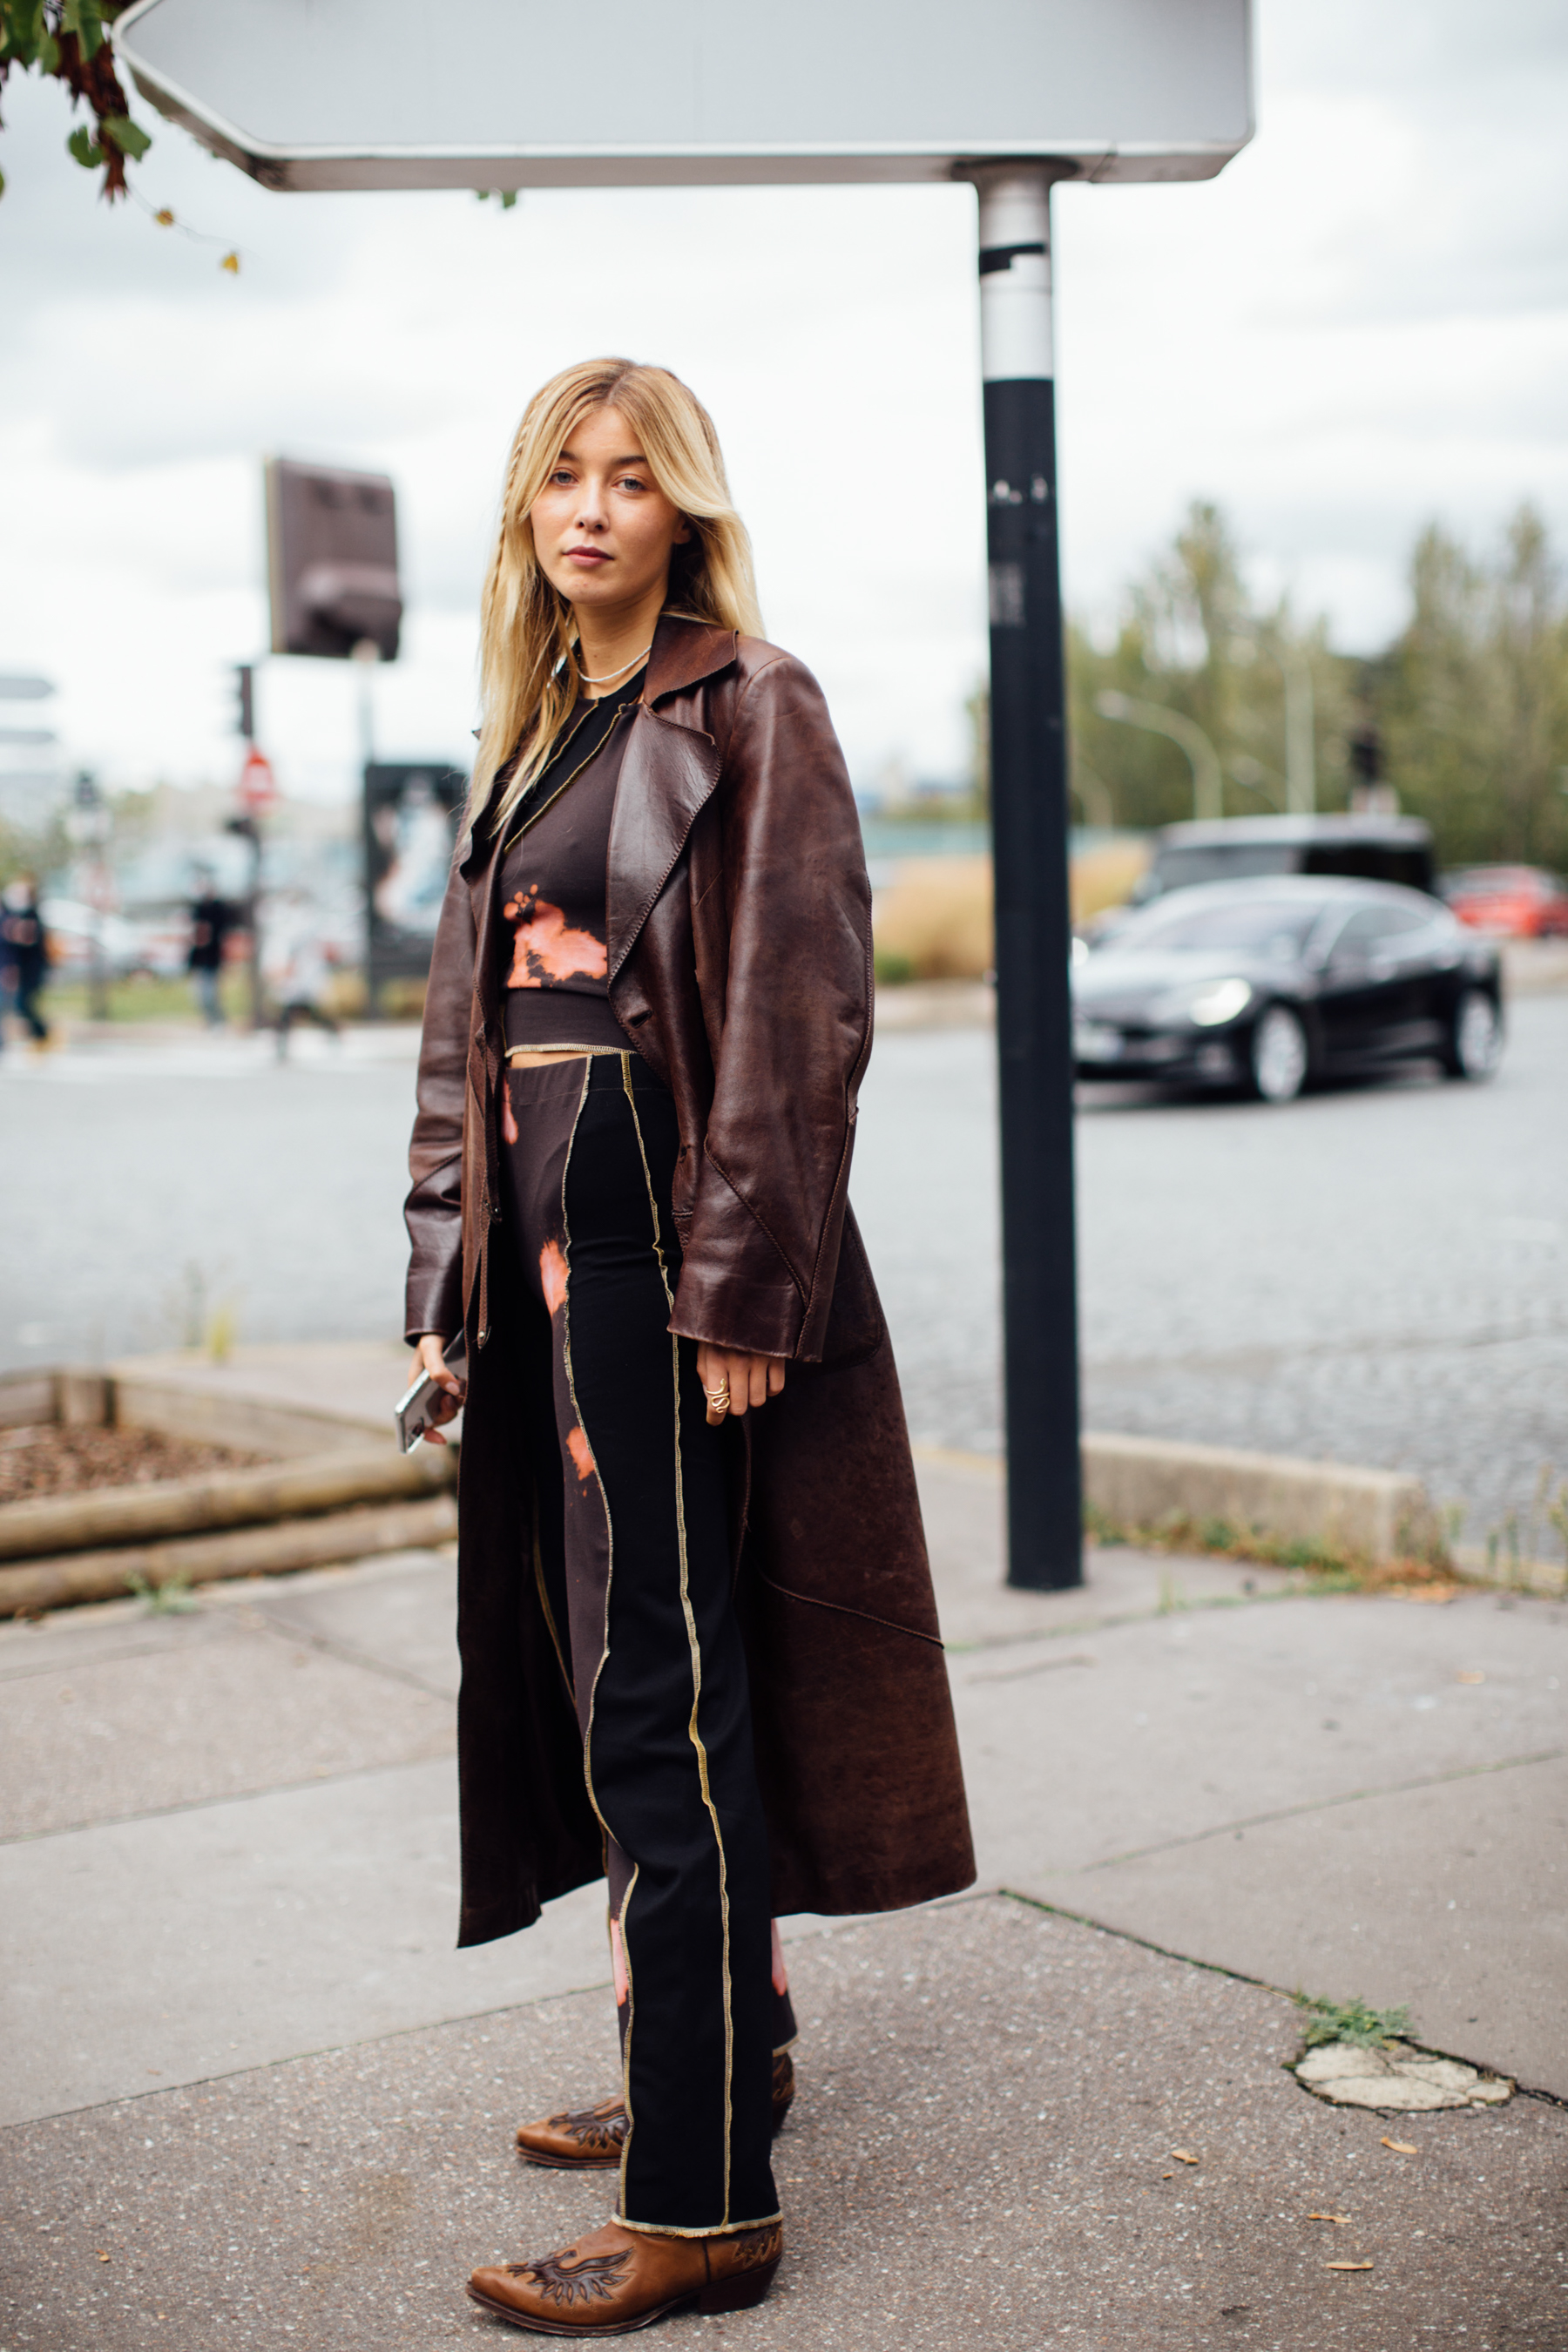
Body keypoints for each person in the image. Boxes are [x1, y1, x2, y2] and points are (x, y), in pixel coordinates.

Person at [403, 357, 974, 2336]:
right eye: (556, 474)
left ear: (683, 510)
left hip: (659, 1242)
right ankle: (713, 2055)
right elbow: (464, 1041)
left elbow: (799, 1013)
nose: (587, 505)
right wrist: (444, 1282)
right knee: (610, 1675)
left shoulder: (751, 699)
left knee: (666, 1686)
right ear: (521, 515)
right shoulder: (539, 731)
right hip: (550, 1258)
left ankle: (705, 2191)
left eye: (627, 478)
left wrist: (745, 1278)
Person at [0, 875, 51, 1051]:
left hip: (30, 971)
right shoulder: (7, 915)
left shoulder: (31, 916)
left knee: (23, 1005)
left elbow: (26, 939)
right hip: (8, 968)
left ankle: (41, 1034)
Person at [187, 873, 234, 1026]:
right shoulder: (198, 909)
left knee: (211, 994)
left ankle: (217, 1020)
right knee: (199, 995)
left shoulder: (218, 909)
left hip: (212, 960)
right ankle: (211, 1020)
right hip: (200, 960)